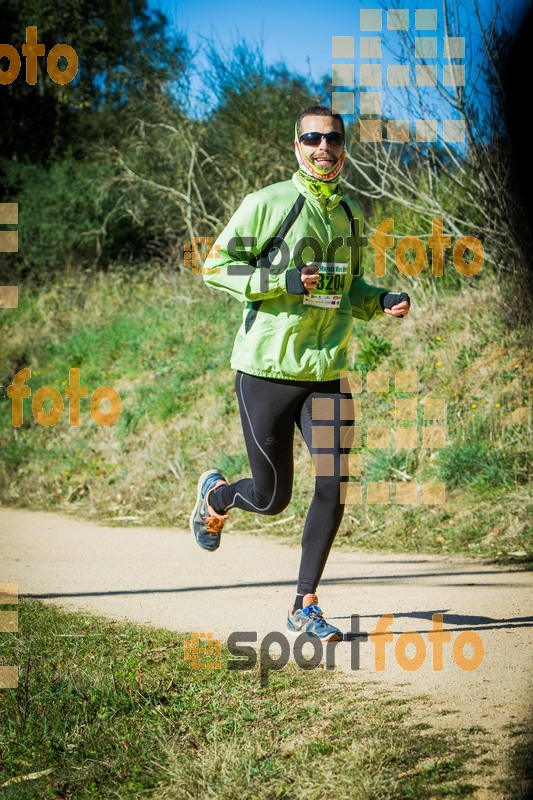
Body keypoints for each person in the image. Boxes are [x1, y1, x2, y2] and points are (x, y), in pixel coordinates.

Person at [190, 105, 410, 641]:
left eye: (333, 140)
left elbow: (347, 290)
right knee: (272, 498)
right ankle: (217, 498)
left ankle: (304, 604)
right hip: (266, 370)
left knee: (334, 485)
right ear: (296, 145)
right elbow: (215, 266)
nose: (323, 148)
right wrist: (280, 280)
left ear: (343, 148)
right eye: (312, 138)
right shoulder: (268, 203)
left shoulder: (351, 216)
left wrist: (379, 298)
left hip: (326, 370)